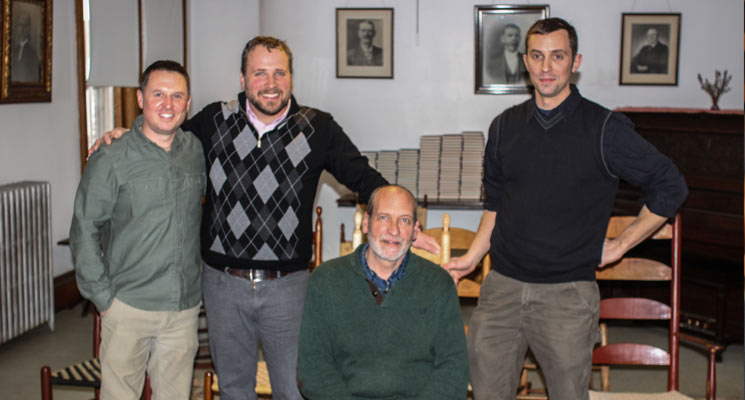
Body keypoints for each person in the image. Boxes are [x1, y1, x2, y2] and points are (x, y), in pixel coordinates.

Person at [91, 36, 438, 400]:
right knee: (234, 389)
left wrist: (402, 220)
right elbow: (164, 137)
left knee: (295, 389)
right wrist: (126, 134)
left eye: (279, 73)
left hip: (288, 288)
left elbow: (365, 179)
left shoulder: (319, 128)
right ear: (242, 79)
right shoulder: (214, 120)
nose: (270, 84)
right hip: (223, 286)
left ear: (290, 78)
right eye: (259, 73)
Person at [444, 18, 687, 400]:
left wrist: (620, 244)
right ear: (525, 61)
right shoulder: (504, 127)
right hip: (502, 290)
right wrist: (473, 256)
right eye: (538, 57)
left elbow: (671, 185)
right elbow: (496, 201)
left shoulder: (605, 129)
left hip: (567, 296)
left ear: (575, 62)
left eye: (557, 56)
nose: (546, 67)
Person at [70, 60, 205, 399]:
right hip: (127, 306)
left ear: (188, 104)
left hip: (183, 309)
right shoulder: (111, 158)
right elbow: (84, 228)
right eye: (158, 94)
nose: (168, 105)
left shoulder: (196, 151)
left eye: (177, 96)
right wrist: (103, 298)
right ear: (140, 98)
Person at [297, 185, 469, 399]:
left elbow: (453, 368)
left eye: (404, 220)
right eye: (384, 218)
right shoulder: (325, 281)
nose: (394, 230)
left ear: (415, 231)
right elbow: (313, 368)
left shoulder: (438, 285)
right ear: (367, 223)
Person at [11, 11, 40, 82]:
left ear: (29, 29)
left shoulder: (32, 54)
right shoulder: (13, 51)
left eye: (25, 25)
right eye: (20, 25)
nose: (22, 29)